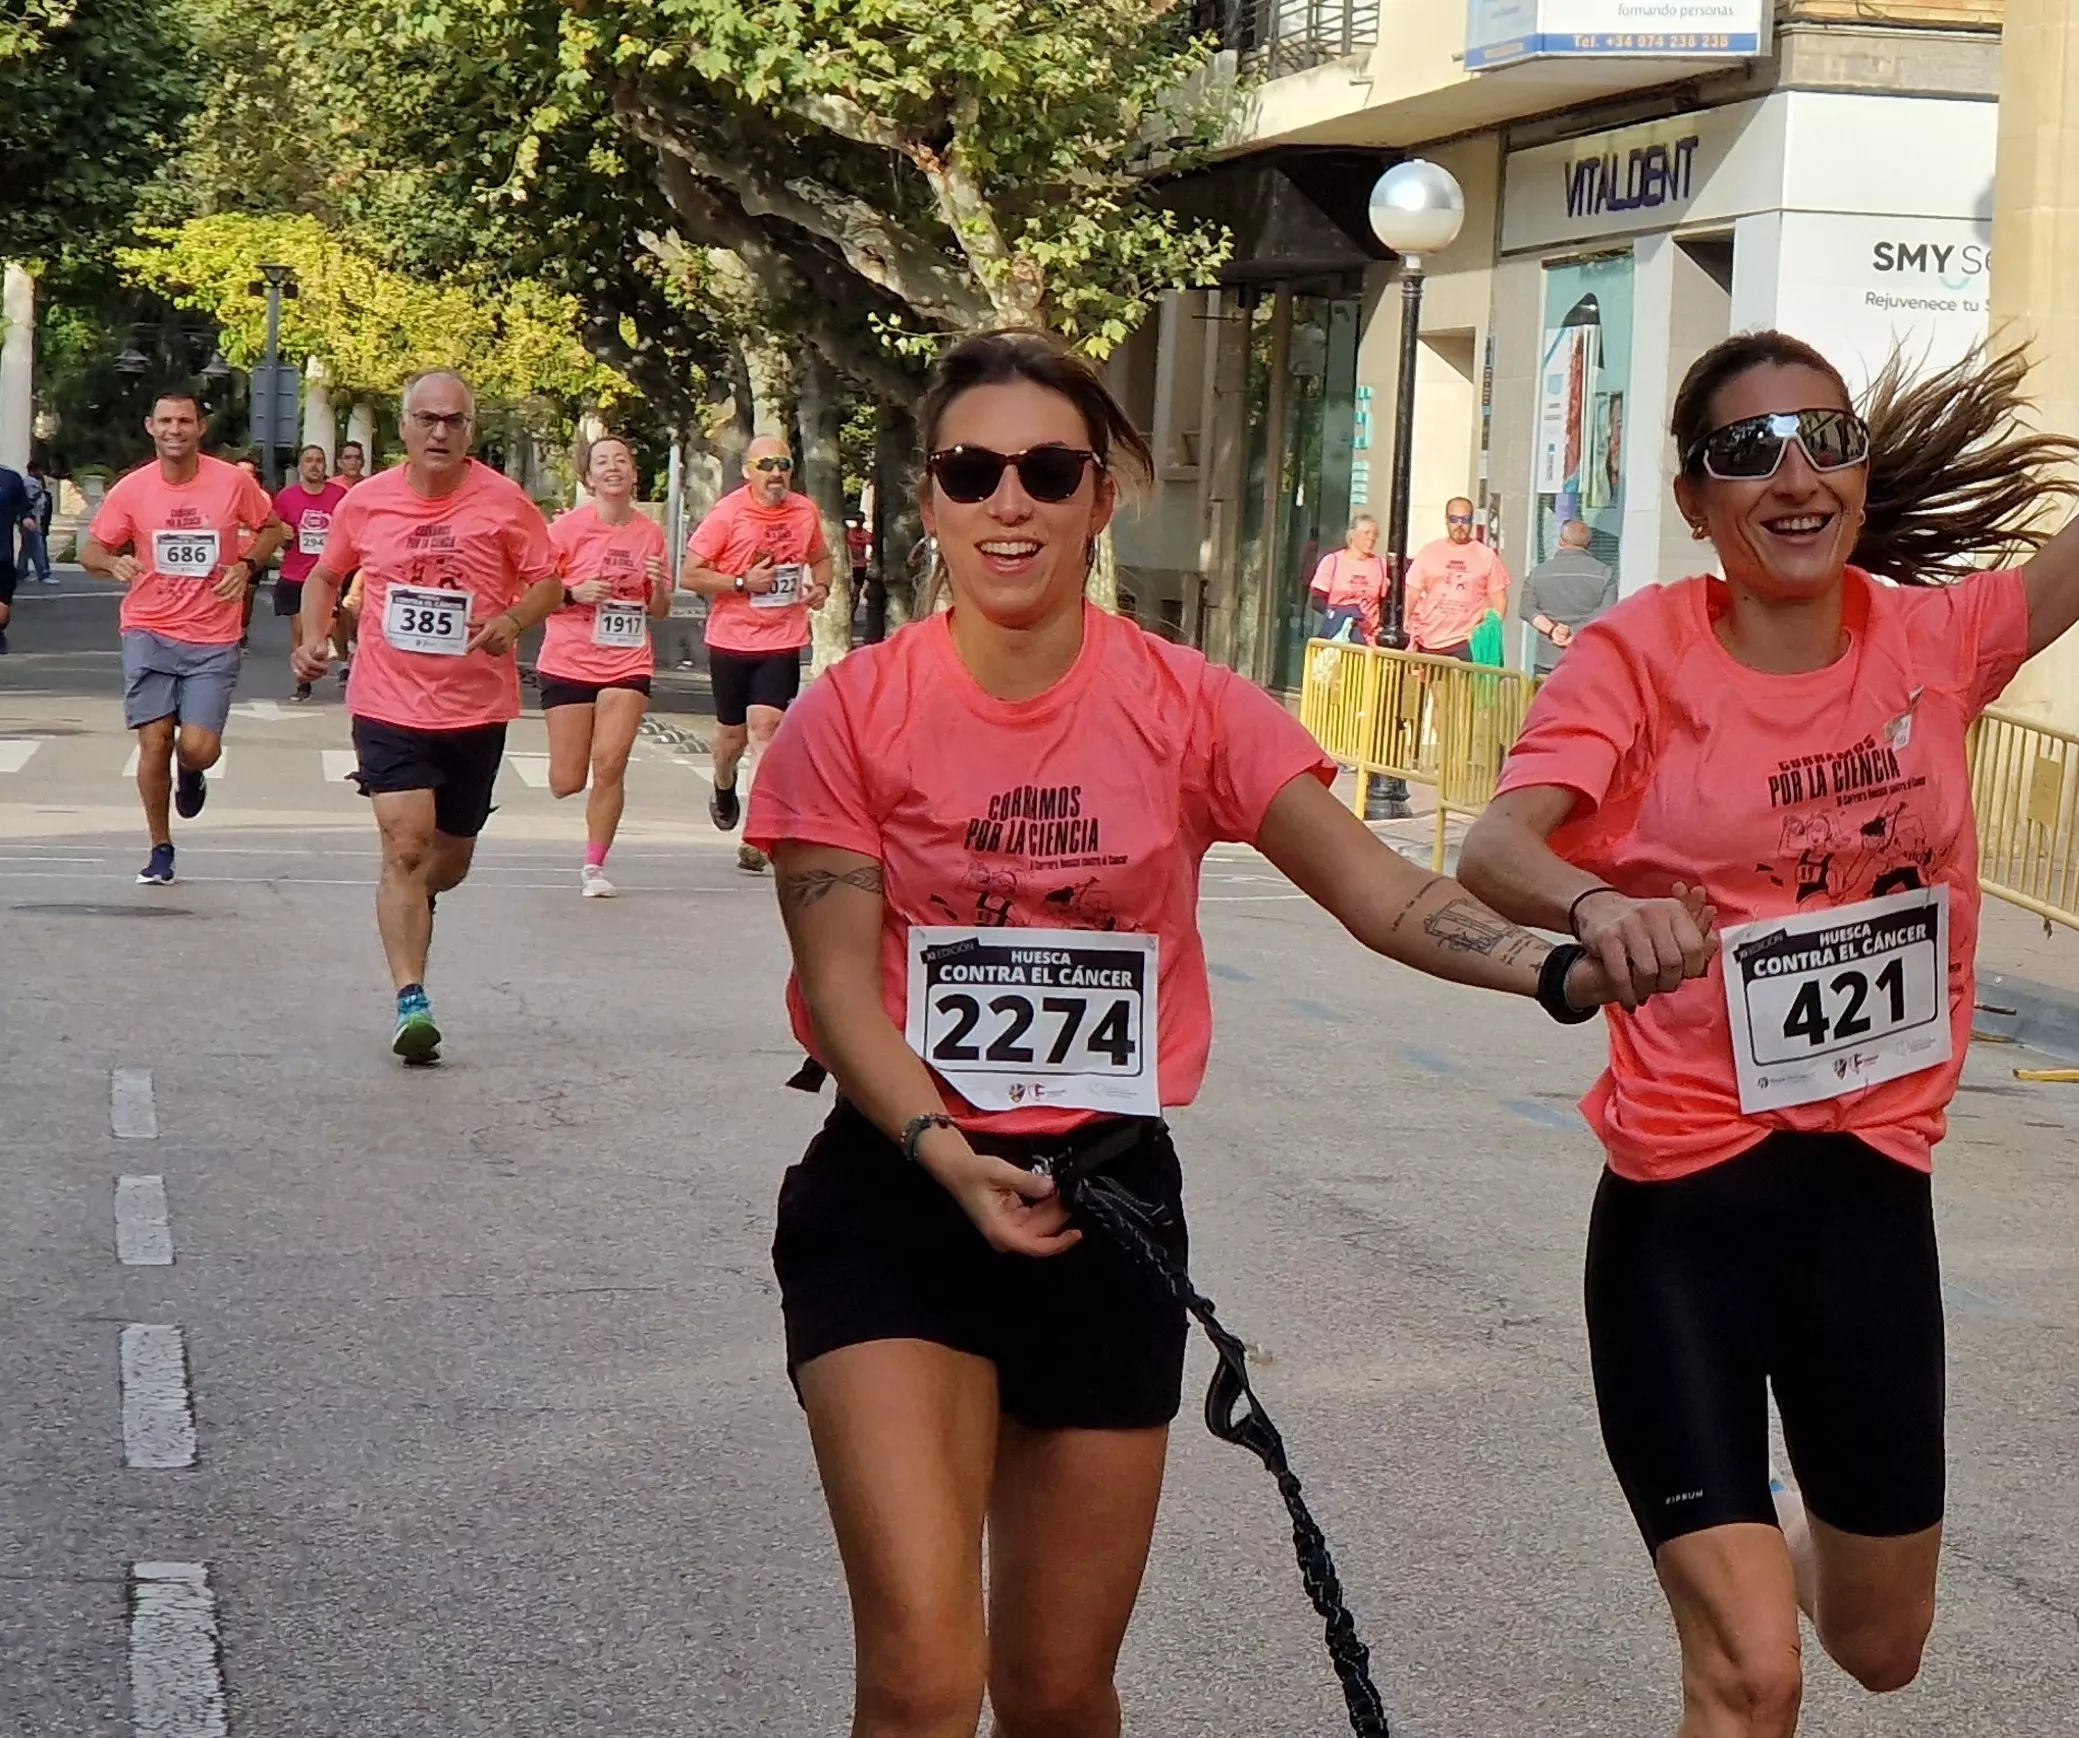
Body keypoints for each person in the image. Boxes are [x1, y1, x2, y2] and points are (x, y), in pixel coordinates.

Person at [1450, 127, 2079, 1738]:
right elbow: (1493, 843)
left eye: (1825, 439)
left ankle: (1754, 1555)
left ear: (1859, 474)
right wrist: (1600, 905)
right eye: (1749, 450)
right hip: (1681, 1212)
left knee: (1879, 1644)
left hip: (1870, 1205)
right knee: (1751, 1670)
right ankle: (1730, 1580)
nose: (1794, 474)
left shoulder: (1935, 642)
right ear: (1694, 497)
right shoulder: (1641, 657)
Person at [744, 329, 1688, 1738]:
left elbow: (1381, 890)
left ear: (1099, 496)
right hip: (900, 1199)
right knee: (925, 1678)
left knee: (1056, 1691)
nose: (1009, 501)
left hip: (1107, 1209)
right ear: (930, 497)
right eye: (971, 471)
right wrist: (943, 1150)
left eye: (1047, 470)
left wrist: (1561, 967)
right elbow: (837, 993)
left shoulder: (1183, 702)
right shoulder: (852, 713)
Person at [294, 370, 564, 1064]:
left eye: (454, 421)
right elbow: (325, 574)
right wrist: (314, 637)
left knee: (448, 862)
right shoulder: (367, 502)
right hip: (387, 701)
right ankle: (411, 999)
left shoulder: (505, 503)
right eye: (427, 419)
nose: (440, 432)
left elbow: (548, 582)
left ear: (470, 430)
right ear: (405, 426)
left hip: (475, 706)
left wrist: (512, 620)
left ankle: (414, 899)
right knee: (405, 848)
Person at [82, 390, 288, 885]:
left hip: (212, 635)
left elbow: (271, 527)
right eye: (166, 421)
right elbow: (92, 548)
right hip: (149, 628)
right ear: (151, 427)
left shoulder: (232, 481)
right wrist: (112, 561)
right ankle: (160, 847)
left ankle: (191, 771)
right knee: (154, 741)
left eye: (185, 421)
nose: (175, 430)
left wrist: (247, 565)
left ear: (200, 428)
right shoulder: (132, 489)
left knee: (198, 747)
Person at [684, 433, 832, 873]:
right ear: (749, 472)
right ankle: (723, 783)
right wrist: (741, 583)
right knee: (730, 741)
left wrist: (822, 586)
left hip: (782, 639)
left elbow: (821, 558)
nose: (775, 473)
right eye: (765, 465)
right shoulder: (728, 514)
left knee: (766, 730)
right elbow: (690, 574)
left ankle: (756, 836)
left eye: (783, 464)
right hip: (731, 640)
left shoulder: (804, 512)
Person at [539, 433, 671, 899]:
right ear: (589, 478)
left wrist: (657, 587)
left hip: (627, 659)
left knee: (611, 762)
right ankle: (571, 787)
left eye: (621, 461)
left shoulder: (651, 533)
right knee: (566, 781)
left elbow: (659, 610)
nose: (613, 468)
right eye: (602, 462)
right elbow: (534, 594)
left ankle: (594, 866)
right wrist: (573, 592)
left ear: (634, 475)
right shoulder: (565, 531)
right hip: (569, 658)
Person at [273, 444, 350, 700]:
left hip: (329, 574)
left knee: (326, 625)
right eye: (308, 460)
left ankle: (341, 659)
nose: (314, 465)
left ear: (326, 465)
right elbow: (275, 531)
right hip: (295, 574)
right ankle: (303, 682)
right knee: (299, 628)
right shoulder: (287, 497)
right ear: (300, 466)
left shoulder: (339, 495)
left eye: (319, 460)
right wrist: (282, 533)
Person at [1403, 496, 1510, 659]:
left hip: (1466, 643)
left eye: (1465, 520)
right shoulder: (1429, 552)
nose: (1459, 525)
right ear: (1446, 520)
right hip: (1429, 641)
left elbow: (1499, 601)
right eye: (1454, 519)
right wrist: (1408, 628)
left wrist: (1484, 633)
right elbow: (1412, 592)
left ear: (1472, 521)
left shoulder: (1486, 555)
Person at [1521, 516, 1617, 678]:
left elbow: (1526, 609)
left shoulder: (1538, 573)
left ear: (1561, 541)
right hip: (1586, 660)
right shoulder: (1605, 573)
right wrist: (1574, 633)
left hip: (1547, 661)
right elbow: (1607, 614)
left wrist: (1552, 630)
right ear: (1589, 544)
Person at [1307, 511, 1385, 641]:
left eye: (1375, 534)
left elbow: (1385, 603)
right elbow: (1317, 599)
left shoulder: (1381, 565)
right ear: (1353, 535)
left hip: (1369, 638)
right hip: (1338, 634)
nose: (1371, 538)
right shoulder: (1333, 561)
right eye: (1366, 533)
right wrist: (1339, 616)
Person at [0, 459, 26, 654]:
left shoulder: (9, 478)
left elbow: (22, 506)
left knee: (2, 608)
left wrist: (26, 518)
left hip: (2, 554)